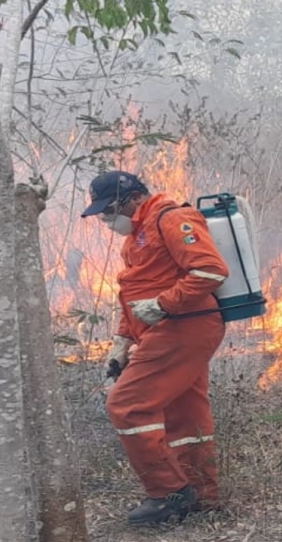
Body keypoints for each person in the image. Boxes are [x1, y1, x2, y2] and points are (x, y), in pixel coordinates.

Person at [81, 170, 229, 525]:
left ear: (131, 198)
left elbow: (210, 270)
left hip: (184, 325)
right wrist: (123, 340)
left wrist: (165, 304)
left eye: (108, 209)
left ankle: (167, 494)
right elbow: (134, 291)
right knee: (184, 410)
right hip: (166, 327)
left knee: (127, 405)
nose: (104, 218)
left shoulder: (172, 217)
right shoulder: (136, 236)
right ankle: (201, 495)